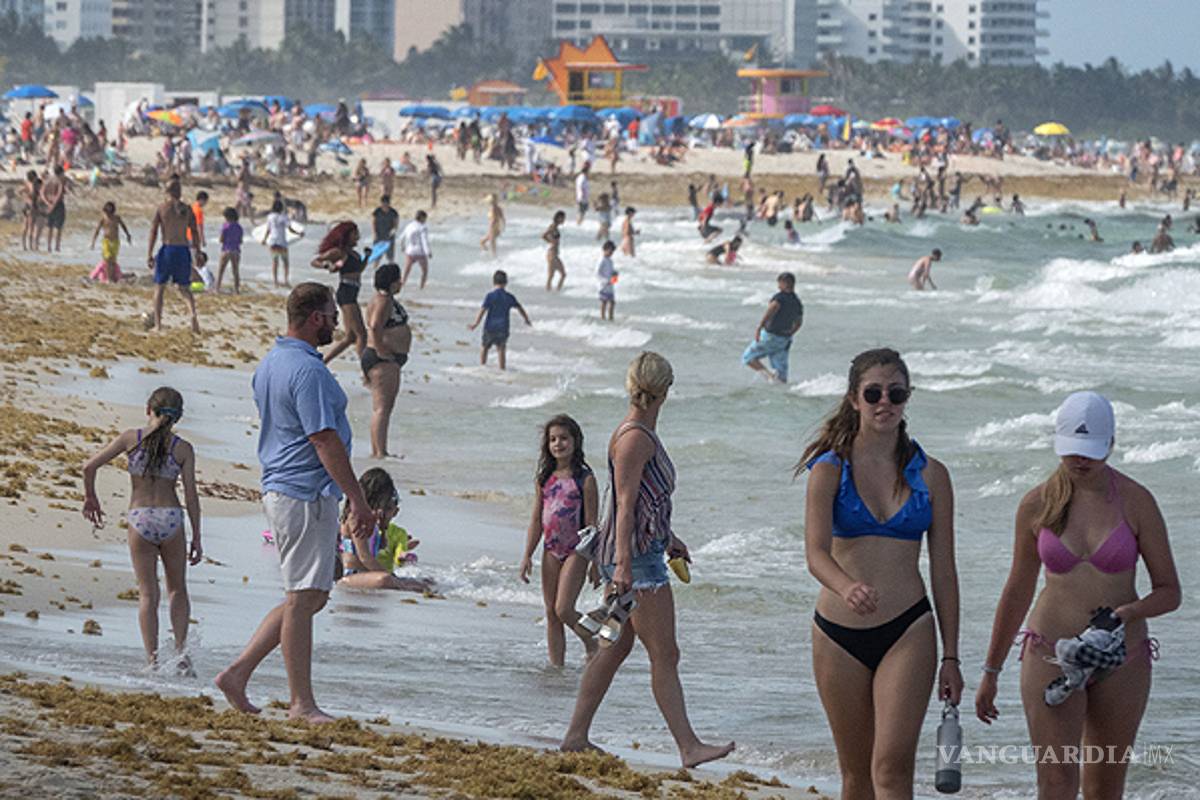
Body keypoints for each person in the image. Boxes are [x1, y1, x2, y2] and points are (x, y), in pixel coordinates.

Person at [975, 391, 1181, 799]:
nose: (1080, 461)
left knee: (1105, 788)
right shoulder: (1037, 504)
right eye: (1072, 451)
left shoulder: (1137, 502)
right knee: (1056, 783)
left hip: (1122, 657)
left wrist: (1126, 613)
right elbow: (1017, 589)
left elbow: (1169, 591)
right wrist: (991, 672)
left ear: (1111, 445)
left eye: (1090, 451)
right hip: (1050, 652)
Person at [801, 348, 962, 797]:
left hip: (908, 628)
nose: (884, 402)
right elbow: (815, 554)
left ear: (908, 397)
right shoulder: (829, 469)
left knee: (891, 769)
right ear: (854, 399)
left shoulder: (932, 475)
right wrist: (846, 585)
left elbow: (944, 570)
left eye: (896, 393)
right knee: (855, 774)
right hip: (838, 633)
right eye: (873, 393)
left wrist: (952, 656)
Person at [561, 352, 735, 768]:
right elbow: (624, 503)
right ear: (666, 391)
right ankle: (688, 746)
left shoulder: (637, 434)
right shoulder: (635, 437)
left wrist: (669, 537)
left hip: (641, 552)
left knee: (614, 649)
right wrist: (622, 564)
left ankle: (576, 735)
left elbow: (643, 505)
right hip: (636, 561)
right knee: (665, 654)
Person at [215, 283, 373, 724]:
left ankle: (239, 673)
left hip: (289, 488)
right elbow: (322, 438)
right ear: (316, 318)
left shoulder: (273, 362)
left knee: (310, 595)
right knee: (304, 598)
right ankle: (301, 703)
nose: (336, 325)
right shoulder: (308, 371)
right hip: (301, 491)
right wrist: (357, 500)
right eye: (332, 316)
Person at [82, 387, 202, 672]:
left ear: (148, 409)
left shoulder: (130, 439)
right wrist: (197, 535)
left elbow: (89, 466)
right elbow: (192, 495)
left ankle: (153, 661)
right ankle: (182, 655)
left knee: (148, 593)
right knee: (177, 590)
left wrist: (91, 497)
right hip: (171, 517)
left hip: (140, 519)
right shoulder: (182, 448)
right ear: (178, 417)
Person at [519, 414, 600, 666]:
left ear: (575, 441)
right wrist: (527, 555)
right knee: (551, 613)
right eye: (553, 439)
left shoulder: (585, 479)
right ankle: (556, 668)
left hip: (577, 550)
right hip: (550, 549)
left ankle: (591, 641)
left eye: (564, 438)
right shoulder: (544, 478)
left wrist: (596, 563)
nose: (558, 444)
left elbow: (592, 525)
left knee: (564, 609)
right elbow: (536, 520)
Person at [338, 468, 433, 592]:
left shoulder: (372, 519)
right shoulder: (356, 518)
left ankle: (401, 584)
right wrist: (397, 580)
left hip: (367, 574)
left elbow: (381, 548)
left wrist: (383, 527)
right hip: (352, 575)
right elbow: (364, 557)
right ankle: (402, 586)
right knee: (385, 579)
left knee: (427, 582)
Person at [361, 263, 411, 459]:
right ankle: (380, 452)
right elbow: (374, 326)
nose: (401, 283)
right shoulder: (383, 300)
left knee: (381, 407)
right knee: (383, 408)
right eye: (398, 279)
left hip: (382, 358)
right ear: (391, 282)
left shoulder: (383, 299)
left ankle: (378, 450)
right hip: (382, 359)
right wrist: (383, 351)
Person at [146, 180, 203, 333]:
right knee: (184, 288)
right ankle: (192, 314)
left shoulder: (163, 208)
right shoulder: (187, 209)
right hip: (183, 250)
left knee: (159, 288)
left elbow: (154, 232)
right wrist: (197, 251)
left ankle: (158, 324)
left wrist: (150, 254)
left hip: (168, 249)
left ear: (167, 191)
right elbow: (195, 232)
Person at [312, 221, 367, 365]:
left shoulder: (353, 253)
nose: (357, 237)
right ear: (347, 235)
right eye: (354, 234)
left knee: (350, 337)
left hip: (352, 292)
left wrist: (367, 257)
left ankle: (323, 362)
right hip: (346, 292)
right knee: (361, 334)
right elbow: (316, 261)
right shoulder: (338, 252)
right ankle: (366, 369)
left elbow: (358, 270)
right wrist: (328, 265)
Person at [742, 272, 803, 383]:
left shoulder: (780, 298)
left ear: (784, 283)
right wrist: (790, 333)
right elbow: (799, 323)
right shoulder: (797, 302)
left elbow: (772, 308)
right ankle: (779, 388)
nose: (778, 286)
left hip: (771, 336)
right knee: (782, 376)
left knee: (748, 358)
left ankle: (769, 376)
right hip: (784, 340)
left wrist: (760, 326)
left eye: (779, 283)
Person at [468, 269, 531, 371]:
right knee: (501, 349)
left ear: (493, 282)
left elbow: (482, 310)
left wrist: (476, 323)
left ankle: (482, 366)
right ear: (506, 283)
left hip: (490, 327)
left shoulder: (490, 296)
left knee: (485, 347)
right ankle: (502, 369)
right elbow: (520, 308)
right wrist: (526, 319)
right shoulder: (509, 297)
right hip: (503, 327)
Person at [262, 199, 303, 288]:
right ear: (281, 208)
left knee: (275, 262)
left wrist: (264, 239)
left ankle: (275, 282)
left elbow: (268, 230)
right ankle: (286, 281)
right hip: (282, 243)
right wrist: (299, 233)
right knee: (285, 263)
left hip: (273, 242)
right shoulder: (284, 217)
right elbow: (290, 229)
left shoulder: (270, 217)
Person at [90, 201, 132, 284]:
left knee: (113, 261)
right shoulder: (103, 219)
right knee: (107, 259)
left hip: (115, 241)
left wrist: (128, 235)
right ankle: (108, 278)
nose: (107, 213)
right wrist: (93, 242)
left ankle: (112, 277)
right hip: (106, 241)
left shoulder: (116, 218)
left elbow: (123, 226)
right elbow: (97, 230)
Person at [400, 210, 433, 289]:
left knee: (406, 271)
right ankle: (421, 288)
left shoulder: (409, 225)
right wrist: (428, 252)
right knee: (424, 271)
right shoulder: (422, 227)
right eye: (425, 218)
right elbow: (424, 240)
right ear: (422, 218)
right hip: (420, 252)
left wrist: (402, 246)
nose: (425, 220)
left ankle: (401, 286)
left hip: (410, 251)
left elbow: (402, 237)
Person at [41, 163, 69, 253]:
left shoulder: (48, 180)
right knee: (58, 227)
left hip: (48, 203)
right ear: (61, 173)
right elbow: (59, 194)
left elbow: (42, 192)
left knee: (49, 226)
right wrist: (53, 206)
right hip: (58, 205)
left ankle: (48, 247)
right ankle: (57, 247)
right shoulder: (59, 181)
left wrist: (47, 203)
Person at [216, 207, 244, 294]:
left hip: (226, 250)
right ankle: (236, 289)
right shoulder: (239, 227)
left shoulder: (225, 226)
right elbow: (240, 240)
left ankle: (217, 288)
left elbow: (221, 239)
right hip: (235, 250)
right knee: (235, 271)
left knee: (221, 270)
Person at [371, 194, 400, 262]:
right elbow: (373, 222)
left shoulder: (393, 212)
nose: (384, 205)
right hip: (379, 236)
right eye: (383, 203)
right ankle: (375, 270)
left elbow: (396, 223)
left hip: (389, 237)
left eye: (386, 203)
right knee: (377, 256)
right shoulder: (377, 211)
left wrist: (394, 230)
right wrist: (374, 233)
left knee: (390, 257)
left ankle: (391, 270)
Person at [543, 210, 567, 291]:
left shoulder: (555, 227)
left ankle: (554, 293)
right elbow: (543, 235)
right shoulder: (552, 227)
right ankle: (554, 292)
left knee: (553, 276)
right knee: (558, 275)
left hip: (554, 254)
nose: (564, 220)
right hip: (552, 254)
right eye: (563, 218)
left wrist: (552, 241)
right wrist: (551, 242)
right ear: (559, 218)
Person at [597, 240, 618, 321]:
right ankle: (602, 318)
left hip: (610, 285)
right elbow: (597, 273)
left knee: (612, 302)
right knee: (604, 302)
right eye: (610, 251)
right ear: (605, 250)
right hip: (603, 285)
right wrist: (604, 281)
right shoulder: (601, 260)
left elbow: (611, 272)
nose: (611, 253)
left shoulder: (610, 261)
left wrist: (615, 275)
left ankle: (610, 318)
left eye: (612, 252)